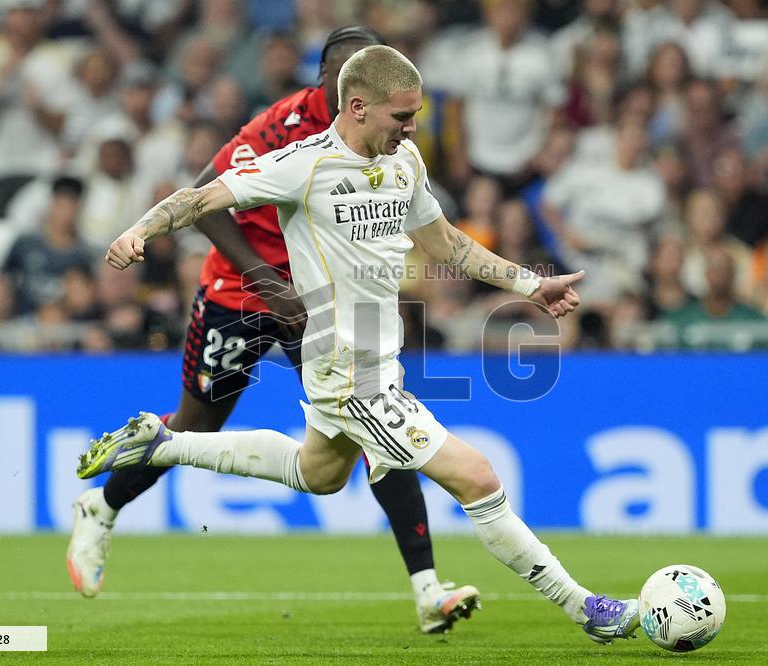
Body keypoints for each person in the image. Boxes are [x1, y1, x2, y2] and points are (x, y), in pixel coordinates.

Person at [79, 44, 640, 644]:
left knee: (317, 473)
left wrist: (531, 283)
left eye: (415, 115)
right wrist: (139, 230)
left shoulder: (405, 163)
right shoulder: (304, 164)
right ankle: (586, 609)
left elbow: (447, 244)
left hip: (382, 362)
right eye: (401, 117)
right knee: (477, 477)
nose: (412, 127)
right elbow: (203, 196)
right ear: (357, 106)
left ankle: (164, 444)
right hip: (346, 374)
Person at [67, 28, 481, 635]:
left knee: (378, 428)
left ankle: (426, 590)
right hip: (241, 288)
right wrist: (264, 279)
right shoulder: (283, 125)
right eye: (343, 81)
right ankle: (101, 506)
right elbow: (204, 196)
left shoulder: (385, 139)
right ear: (330, 86)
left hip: (318, 301)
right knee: (199, 422)